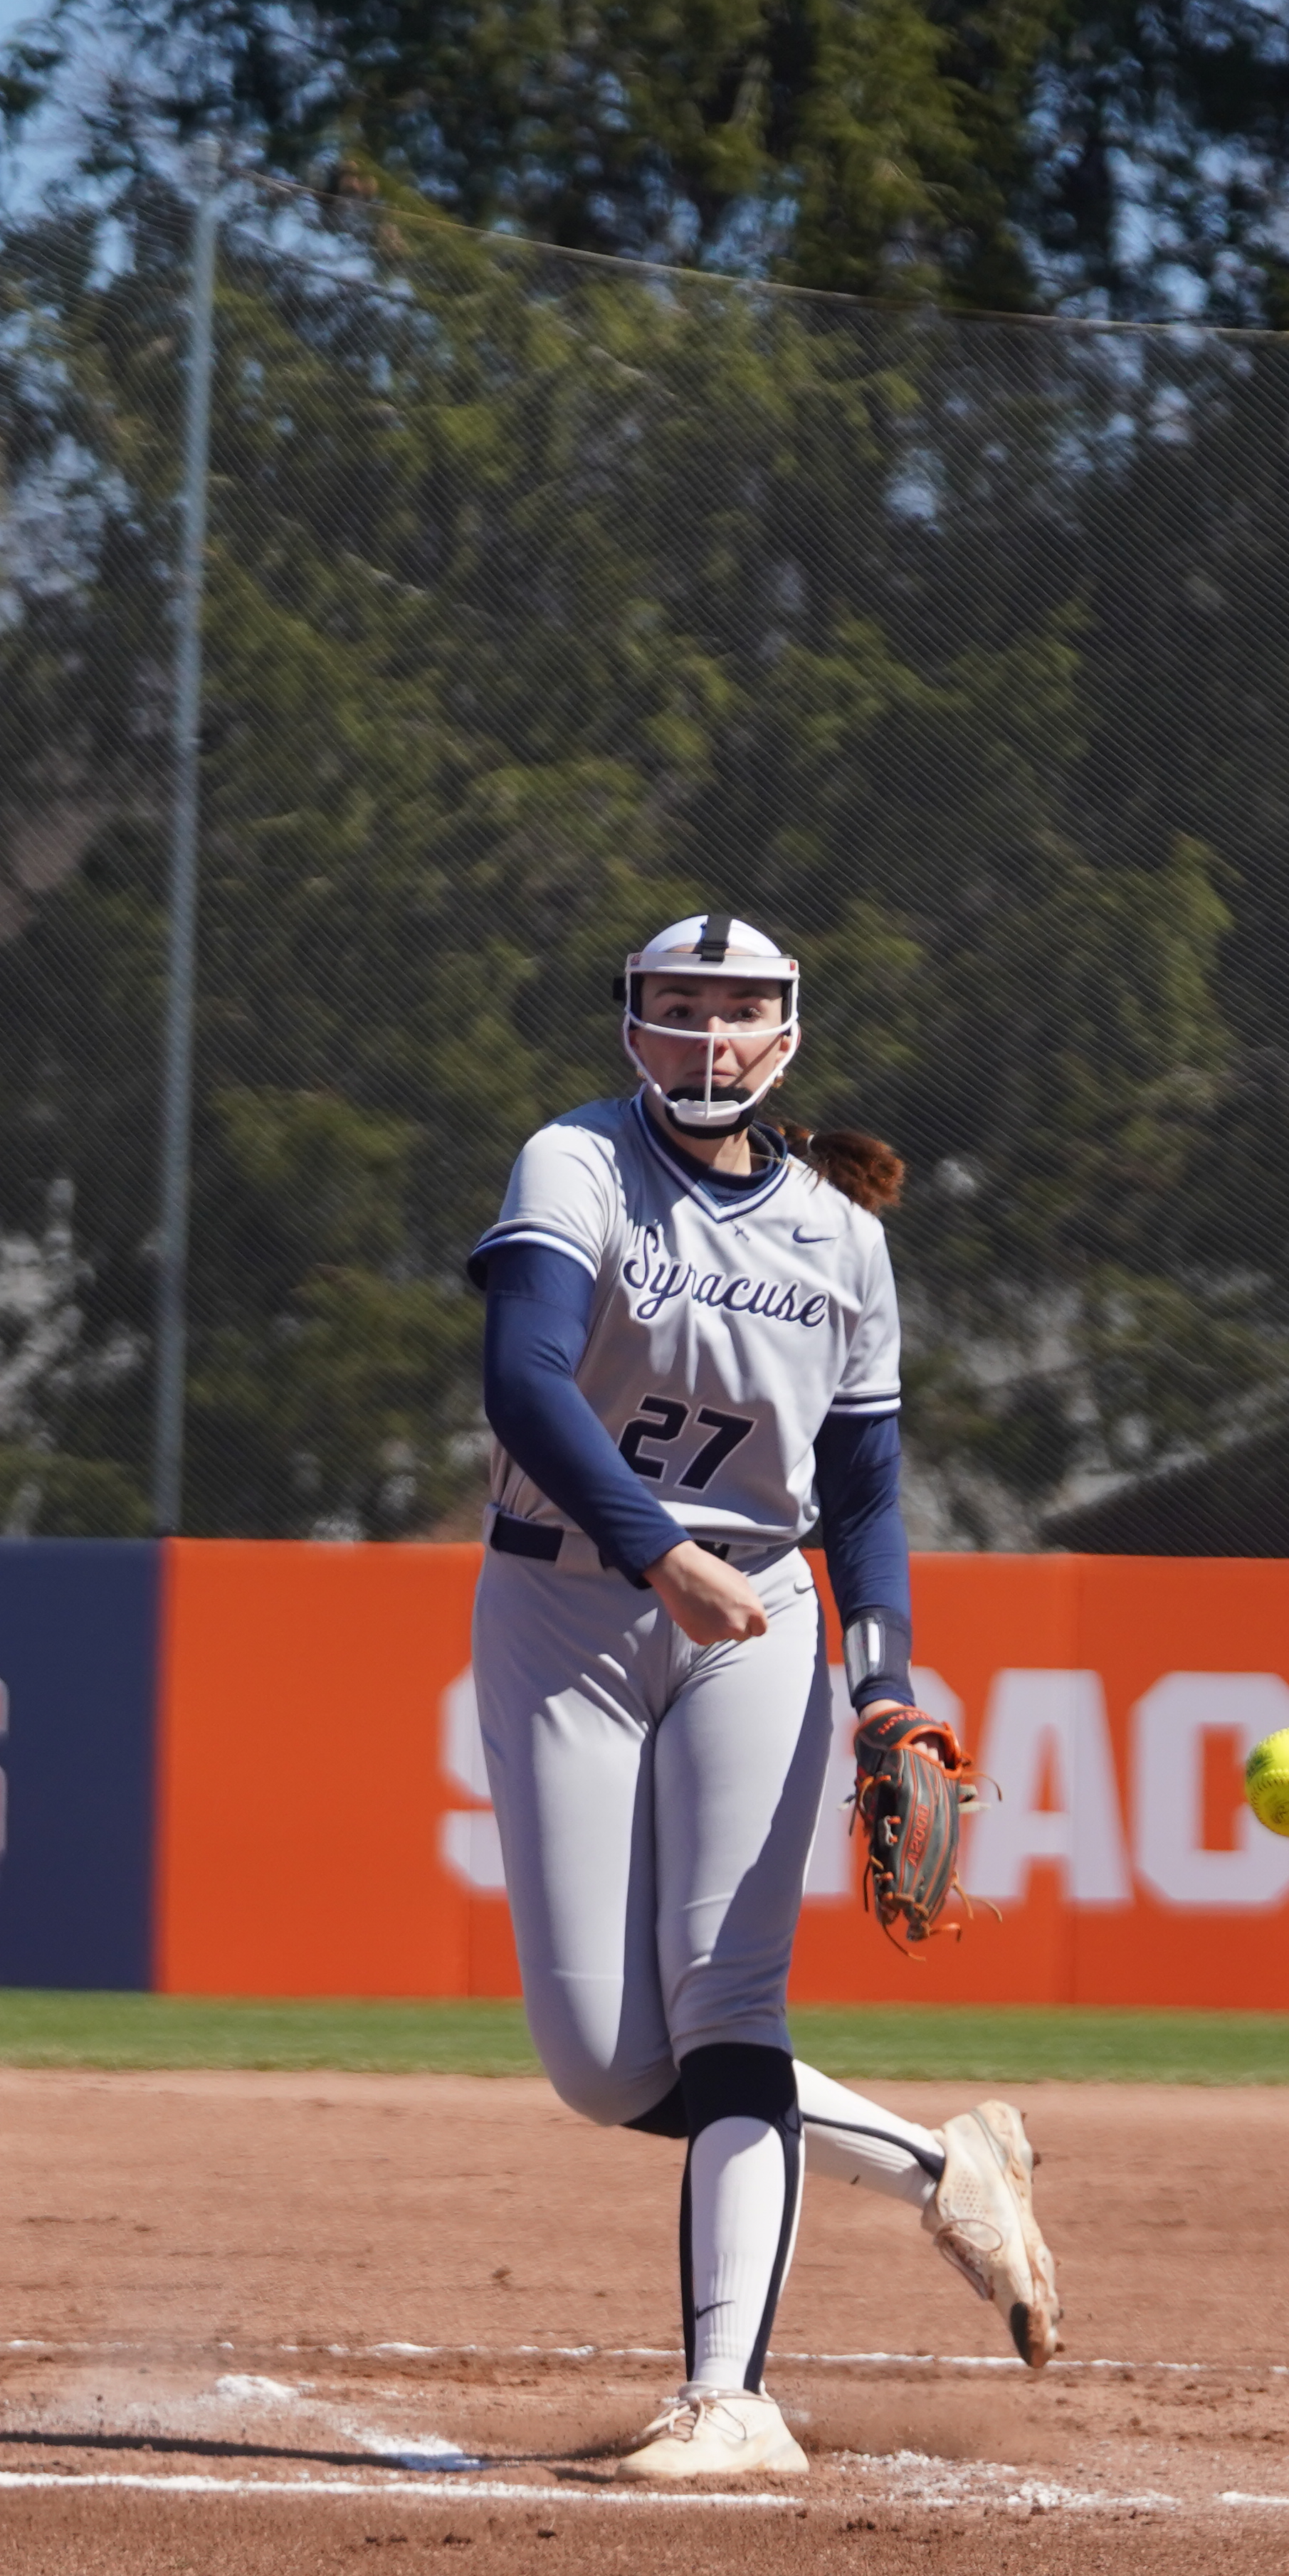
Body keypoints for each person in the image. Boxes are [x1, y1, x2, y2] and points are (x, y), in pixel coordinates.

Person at [467, 912, 1061, 2482]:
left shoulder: (841, 1235)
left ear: (789, 1039)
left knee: (727, 2005)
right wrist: (656, 1551)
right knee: (604, 2062)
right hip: (563, 1605)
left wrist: (882, 1683)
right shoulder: (575, 1165)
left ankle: (728, 2395)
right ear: (631, 1029)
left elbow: (862, 1490)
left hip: (760, 1614)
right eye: (678, 1010)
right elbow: (522, 1375)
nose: (710, 1040)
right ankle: (943, 2163)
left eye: (742, 1014)